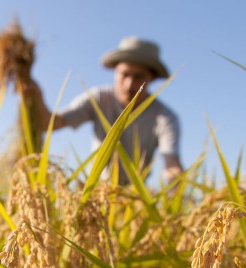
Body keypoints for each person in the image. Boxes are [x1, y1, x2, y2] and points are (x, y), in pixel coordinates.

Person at [26, 36, 183, 186]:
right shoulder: (98, 98)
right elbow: (49, 124)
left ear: (152, 78)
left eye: (138, 76)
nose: (129, 84)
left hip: (134, 196)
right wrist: (34, 95)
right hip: (97, 189)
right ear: (115, 71)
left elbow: (171, 163)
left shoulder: (164, 117)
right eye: (124, 74)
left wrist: (176, 188)